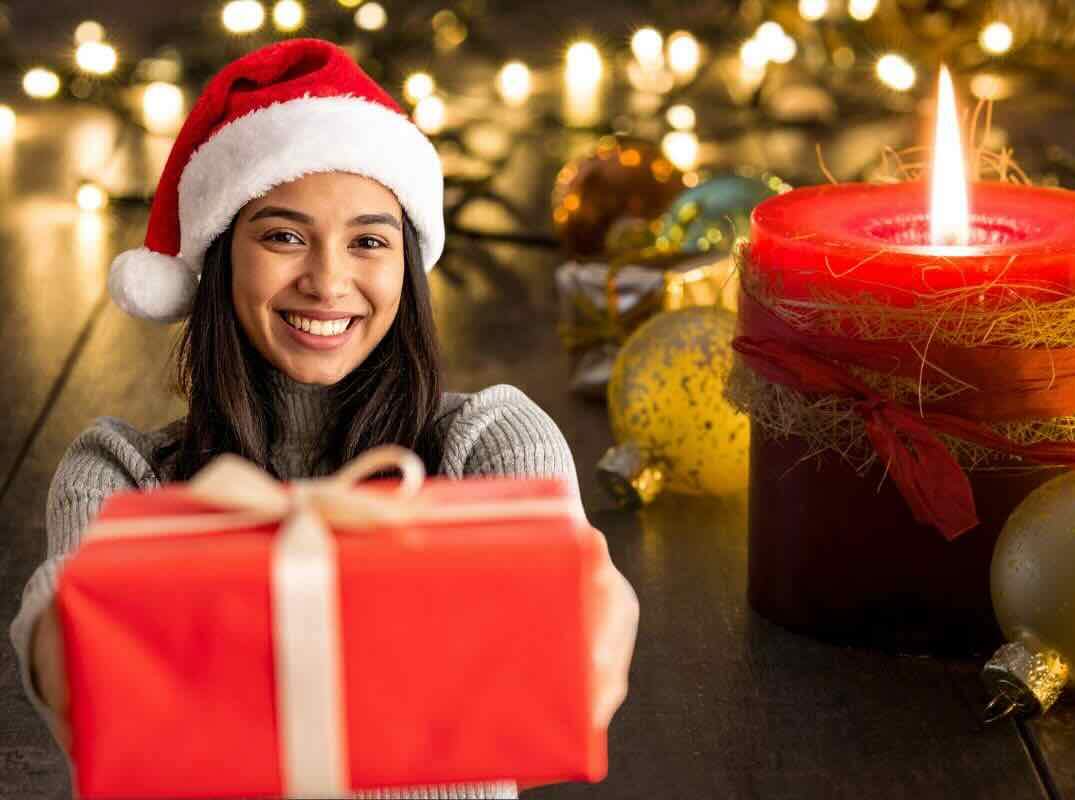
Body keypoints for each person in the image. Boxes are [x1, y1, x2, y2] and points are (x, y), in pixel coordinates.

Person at [8, 38, 639, 800]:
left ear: (406, 266)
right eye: (283, 236)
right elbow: (67, 663)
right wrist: (64, 641)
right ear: (220, 257)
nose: (328, 281)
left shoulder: (490, 443)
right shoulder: (119, 477)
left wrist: (592, 615)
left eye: (369, 241)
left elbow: (560, 655)